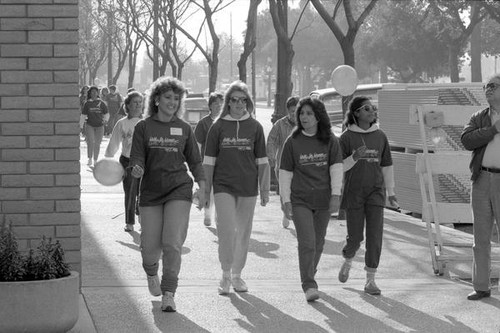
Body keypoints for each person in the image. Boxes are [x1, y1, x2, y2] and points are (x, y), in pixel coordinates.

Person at [129, 76, 205, 312]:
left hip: (179, 189)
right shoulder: (144, 127)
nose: (172, 102)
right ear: (157, 99)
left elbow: (195, 160)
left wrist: (202, 186)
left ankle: (169, 293)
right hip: (151, 191)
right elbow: (136, 157)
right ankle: (152, 272)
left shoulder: (183, 128)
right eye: (168, 97)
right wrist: (137, 167)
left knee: (172, 243)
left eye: (176, 98)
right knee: (150, 247)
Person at [203, 80, 270, 295]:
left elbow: (262, 160)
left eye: (243, 100)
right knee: (226, 230)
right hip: (223, 186)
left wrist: (265, 188)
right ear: (228, 103)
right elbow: (209, 160)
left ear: (248, 102)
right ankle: (225, 274)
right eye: (234, 100)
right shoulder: (218, 126)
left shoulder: (256, 127)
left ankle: (237, 275)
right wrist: (206, 191)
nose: (239, 104)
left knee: (243, 232)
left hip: (248, 187)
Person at [279, 97, 343, 302]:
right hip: (300, 200)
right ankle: (308, 284)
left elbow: (336, 169)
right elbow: (285, 173)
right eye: (301, 113)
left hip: (323, 199)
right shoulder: (293, 141)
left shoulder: (330, 140)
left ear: (318, 116)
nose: (304, 117)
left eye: (308, 113)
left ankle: (309, 273)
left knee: (319, 242)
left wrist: (335, 195)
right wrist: (285, 200)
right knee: (307, 242)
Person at [337, 96, 398, 296]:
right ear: (356, 113)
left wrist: (391, 193)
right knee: (356, 238)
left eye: (373, 108)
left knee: (375, 236)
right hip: (354, 193)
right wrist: (354, 157)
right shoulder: (346, 138)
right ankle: (348, 257)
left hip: (375, 192)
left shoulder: (380, 136)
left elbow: (386, 165)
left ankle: (370, 279)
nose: (372, 111)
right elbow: (339, 168)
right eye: (366, 108)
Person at [461, 74, 500, 301]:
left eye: (493, 86)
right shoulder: (479, 117)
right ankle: (482, 286)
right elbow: (467, 140)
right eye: (486, 87)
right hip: (482, 180)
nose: (488, 90)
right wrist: (493, 130)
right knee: (480, 237)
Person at [104, 91, 143, 232]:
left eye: (140, 102)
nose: (138, 105)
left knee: (144, 192)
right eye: (135, 102)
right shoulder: (122, 123)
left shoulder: (147, 122)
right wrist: (108, 158)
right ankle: (129, 222)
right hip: (128, 161)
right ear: (127, 105)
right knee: (130, 191)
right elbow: (114, 143)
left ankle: (142, 216)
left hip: (146, 162)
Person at [267, 95, 300, 229]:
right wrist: (271, 156)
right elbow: (271, 140)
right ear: (288, 111)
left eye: (297, 110)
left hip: (300, 166)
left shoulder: (306, 124)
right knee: (285, 192)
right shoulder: (280, 124)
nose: (294, 113)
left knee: (298, 192)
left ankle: (298, 216)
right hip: (283, 166)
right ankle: (286, 211)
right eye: (292, 111)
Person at [194, 91, 223, 226]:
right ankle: (207, 214)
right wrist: (197, 163)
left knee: (220, 191)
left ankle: (218, 217)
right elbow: (197, 145)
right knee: (208, 189)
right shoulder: (203, 123)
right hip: (207, 162)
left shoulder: (226, 123)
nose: (218, 106)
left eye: (220, 104)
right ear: (210, 106)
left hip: (223, 163)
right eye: (215, 104)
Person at [81, 86, 109, 167]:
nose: (94, 93)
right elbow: (83, 115)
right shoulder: (87, 103)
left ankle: (95, 160)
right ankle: (89, 158)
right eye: (92, 92)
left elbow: (106, 114)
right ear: (90, 93)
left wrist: (105, 120)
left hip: (100, 126)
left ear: (98, 93)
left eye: (95, 92)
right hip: (90, 125)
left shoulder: (102, 103)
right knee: (90, 142)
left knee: (97, 143)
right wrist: (81, 126)